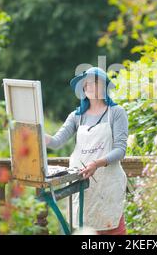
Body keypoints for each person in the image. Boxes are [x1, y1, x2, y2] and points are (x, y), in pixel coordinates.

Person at [45, 67, 128, 234]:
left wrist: (96, 163)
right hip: (82, 183)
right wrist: (37, 131)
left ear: (104, 86)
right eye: (86, 83)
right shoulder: (76, 116)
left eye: (94, 82)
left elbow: (120, 149)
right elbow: (55, 142)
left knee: (111, 228)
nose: (89, 86)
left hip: (108, 183)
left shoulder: (117, 113)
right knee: (86, 229)